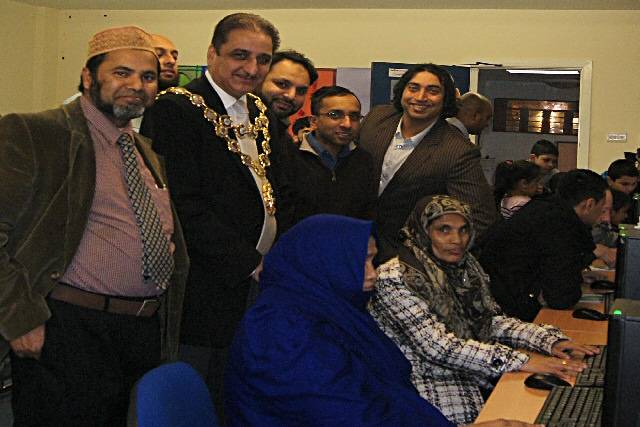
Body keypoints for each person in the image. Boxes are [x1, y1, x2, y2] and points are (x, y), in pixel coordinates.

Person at [0, 26, 188, 425]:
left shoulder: (144, 149)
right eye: (122, 73)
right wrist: (21, 316)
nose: (136, 85)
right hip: (68, 328)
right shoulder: (37, 132)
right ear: (88, 77)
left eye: (148, 77)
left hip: (139, 330)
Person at [224, 215, 537, 427]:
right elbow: (349, 415)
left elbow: (381, 397)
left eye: (373, 260)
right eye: (361, 262)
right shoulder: (281, 333)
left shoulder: (324, 308)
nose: (373, 273)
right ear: (324, 263)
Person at [140, 12, 293, 416]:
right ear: (212, 53)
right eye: (240, 55)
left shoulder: (260, 112)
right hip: (203, 282)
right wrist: (248, 263)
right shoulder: (175, 110)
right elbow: (181, 204)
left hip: (258, 281)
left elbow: (285, 190)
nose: (252, 68)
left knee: (241, 387)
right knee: (198, 391)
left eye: (263, 60)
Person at [369, 195, 594, 425]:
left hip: (471, 374)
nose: (457, 239)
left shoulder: (465, 266)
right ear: (422, 231)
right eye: (443, 230)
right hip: (429, 387)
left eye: (464, 230)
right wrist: (521, 360)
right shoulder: (396, 277)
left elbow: (492, 321)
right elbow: (439, 348)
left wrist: (549, 341)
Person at [359, 63, 496, 256]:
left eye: (432, 91)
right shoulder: (377, 118)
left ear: (446, 99)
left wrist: (433, 254)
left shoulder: (457, 150)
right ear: (402, 91)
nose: (420, 97)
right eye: (413, 88)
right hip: (354, 247)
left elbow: (481, 217)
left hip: (407, 260)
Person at [479, 169, 609, 321]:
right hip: (503, 311)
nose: (604, 217)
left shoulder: (546, 208)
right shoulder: (560, 225)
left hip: (498, 297)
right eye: (603, 209)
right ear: (589, 204)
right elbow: (561, 297)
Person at [290, 86, 377, 222]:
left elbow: (367, 212)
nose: (347, 124)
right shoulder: (290, 156)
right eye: (335, 115)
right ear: (314, 121)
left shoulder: (363, 160)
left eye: (354, 116)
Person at [259, 49, 318, 124]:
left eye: (301, 91)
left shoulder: (280, 133)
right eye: (282, 84)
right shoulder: (242, 122)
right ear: (259, 79)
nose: (291, 96)